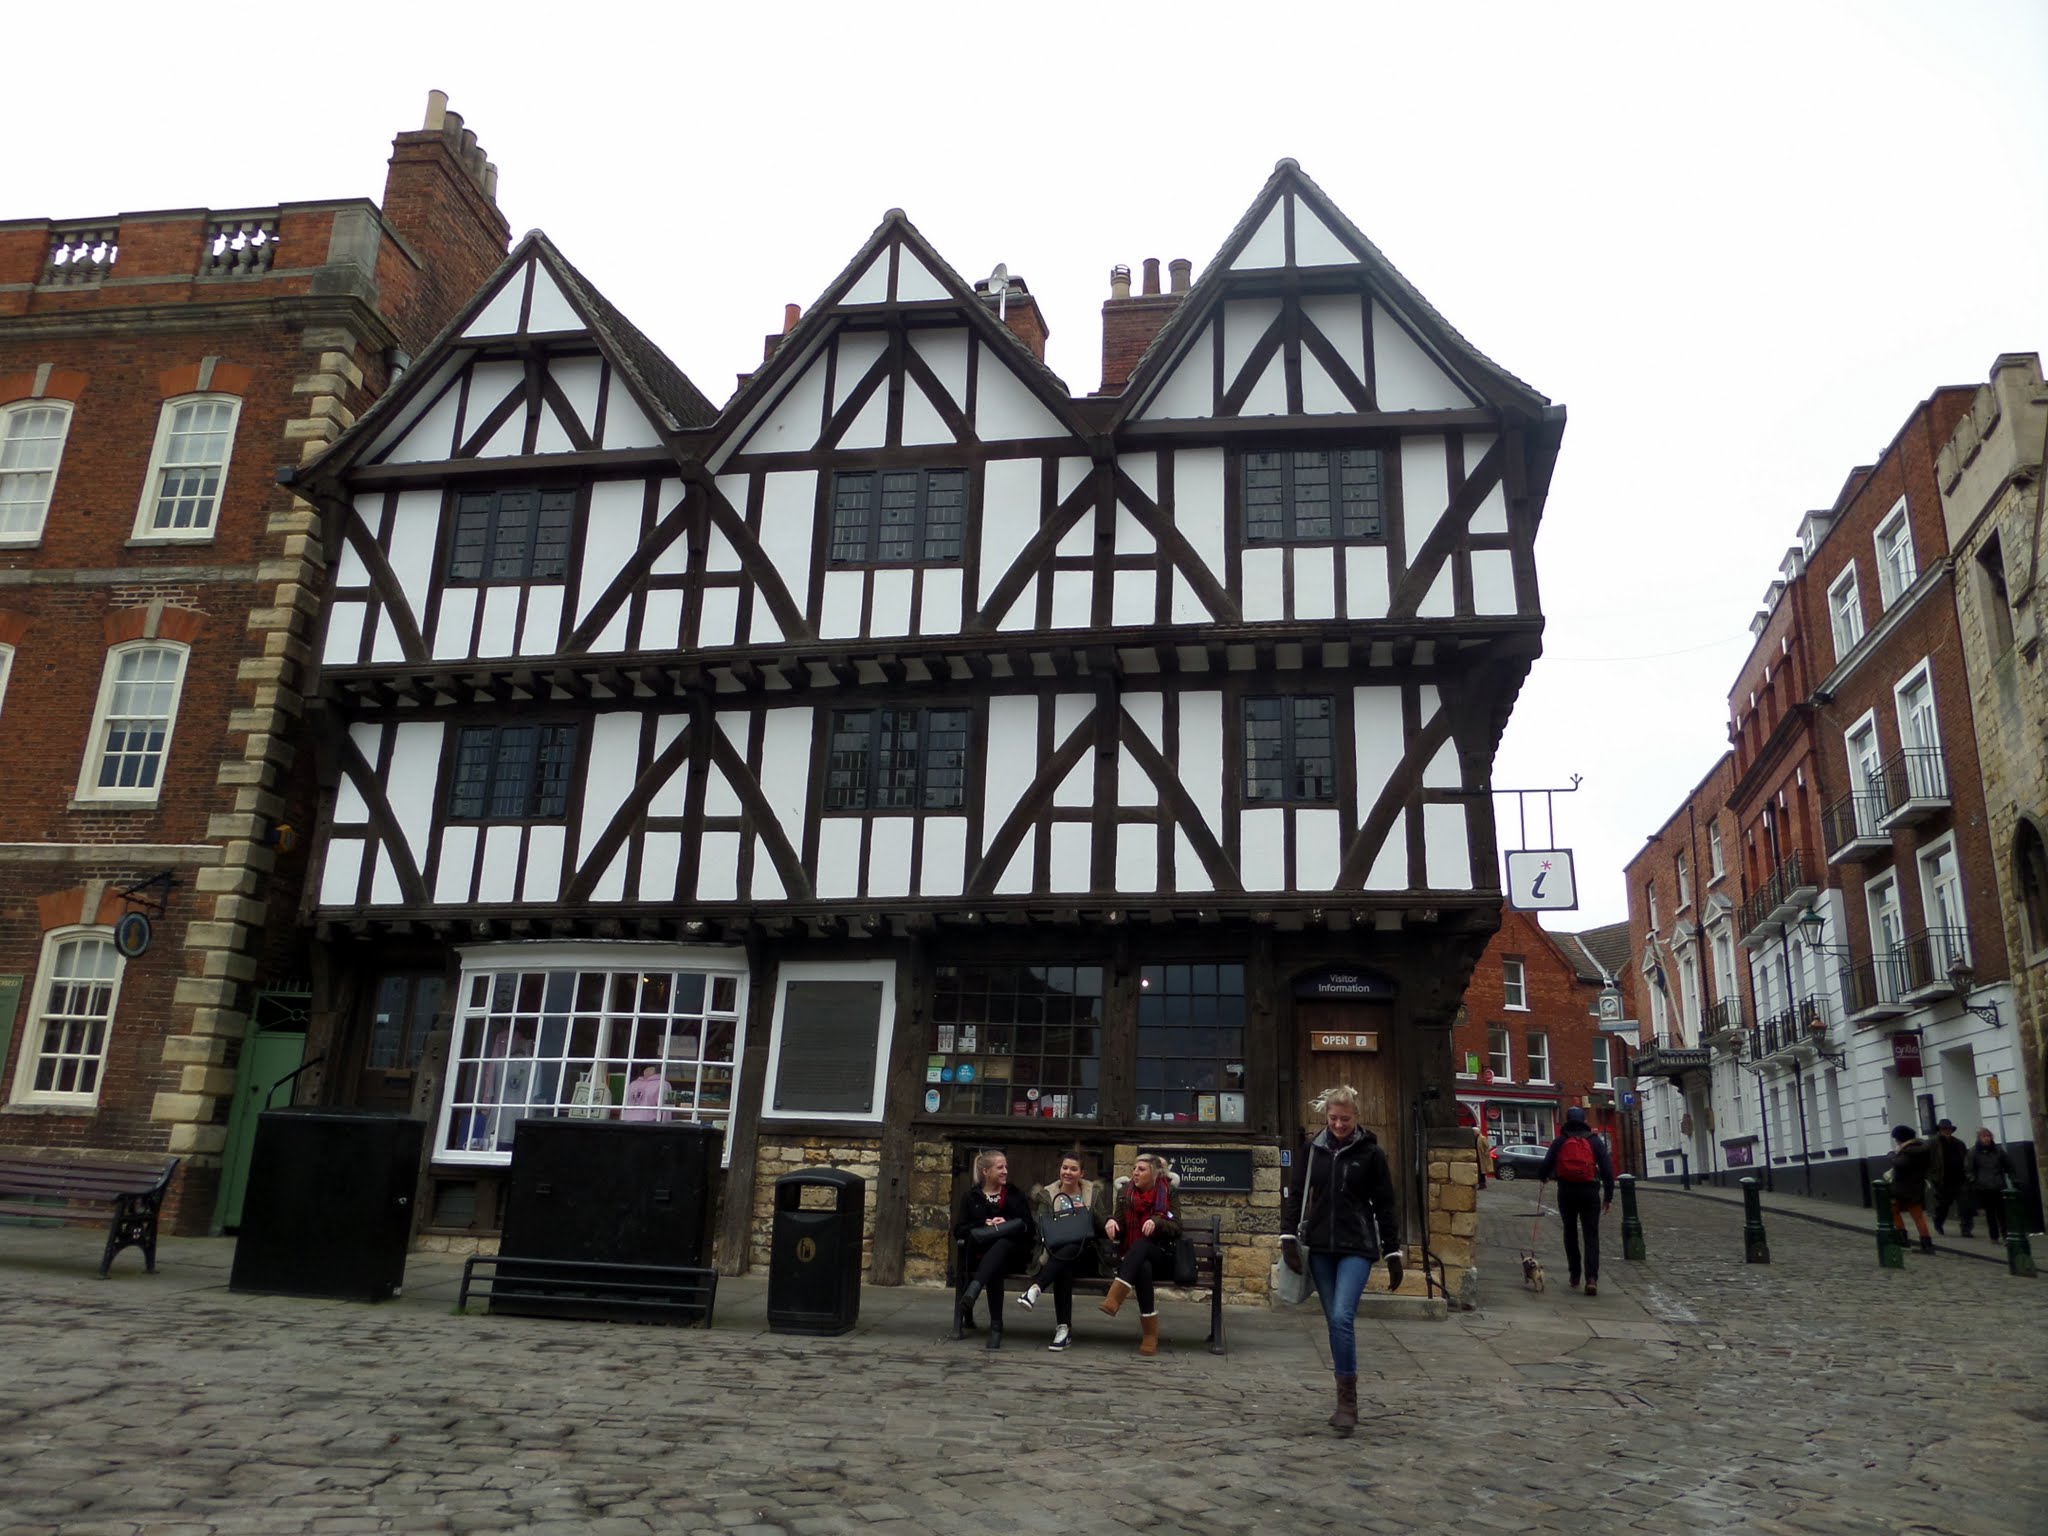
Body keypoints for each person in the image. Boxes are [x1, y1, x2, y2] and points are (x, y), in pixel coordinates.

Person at [1280, 1086, 1402, 1436]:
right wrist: (1288, 1236)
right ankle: (1342, 1397)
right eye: (1333, 1118)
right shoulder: (1313, 1150)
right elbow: (1297, 1192)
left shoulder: (1371, 1154)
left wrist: (1392, 1251)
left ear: (1356, 1117)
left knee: (1341, 1315)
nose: (1338, 1125)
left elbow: (1385, 1204)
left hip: (1357, 1246)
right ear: (1326, 1116)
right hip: (1320, 1247)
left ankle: (1348, 1403)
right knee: (1335, 1324)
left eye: (1344, 1119)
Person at [1019, 1152, 1108, 1351]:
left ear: (1082, 1173)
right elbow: (1044, 1229)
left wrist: (1089, 1214)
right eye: (1065, 1168)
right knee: (1064, 1264)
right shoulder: (1047, 1195)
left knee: (1070, 1250)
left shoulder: (1091, 1193)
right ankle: (1063, 1330)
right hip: (1057, 1254)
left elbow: (1101, 1226)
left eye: (1073, 1169)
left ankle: (1036, 1289)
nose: (1068, 1172)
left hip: (1087, 1256)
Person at [1099, 1153, 1181, 1359]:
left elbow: (1177, 1227)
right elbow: (1119, 1224)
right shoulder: (1125, 1193)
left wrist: (1158, 1222)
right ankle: (1150, 1335)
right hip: (1135, 1258)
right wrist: (1111, 1222)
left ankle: (1115, 1296)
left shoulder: (1167, 1192)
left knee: (1143, 1246)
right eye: (1134, 1168)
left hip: (1162, 1256)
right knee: (1142, 1265)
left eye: (1141, 1169)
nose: (1135, 1172)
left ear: (1153, 1174)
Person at [954, 1149, 1033, 1350]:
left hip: (1013, 1256)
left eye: (1006, 1167)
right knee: (994, 1264)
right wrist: (984, 1223)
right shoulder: (971, 1197)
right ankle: (996, 1327)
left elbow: (1029, 1227)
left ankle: (975, 1288)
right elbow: (959, 1230)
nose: (1005, 1171)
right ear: (986, 1171)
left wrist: (1006, 1222)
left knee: (1002, 1245)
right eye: (1000, 1167)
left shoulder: (1015, 1195)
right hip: (979, 1255)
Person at [1538, 1106, 1615, 1296]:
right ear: (1584, 1121)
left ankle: (1574, 1275)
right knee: (1591, 1235)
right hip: (1589, 1192)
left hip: (1566, 1191)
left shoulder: (1560, 1141)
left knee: (1570, 1231)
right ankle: (1591, 1278)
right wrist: (1608, 1197)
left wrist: (1544, 1177)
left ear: (1567, 1120)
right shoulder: (1594, 1141)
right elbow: (1607, 1170)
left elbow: (1545, 1165)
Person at [1888, 1124, 1935, 1254]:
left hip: (1903, 1187)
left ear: (1900, 1139)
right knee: (1918, 1216)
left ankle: (1903, 1238)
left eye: (1897, 1139)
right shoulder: (1921, 1149)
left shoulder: (1908, 1151)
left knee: (1893, 1210)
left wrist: (1892, 1156)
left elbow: (1900, 1164)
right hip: (1916, 1186)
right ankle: (1926, 1243)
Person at [1966, 1128, 2015, 1242]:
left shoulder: (1998, 1150)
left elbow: (2008, 1164)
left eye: (1988, 1136)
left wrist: (2013, 1177)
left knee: (2002, 1212)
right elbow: (1969, 1169)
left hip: (1998, 1185)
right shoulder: (1973, 1152)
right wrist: (1974, 1180)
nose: (1987, 1139)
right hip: (1984, 1187)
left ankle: (2005, 1234)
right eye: (1984, 1136)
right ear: (1979, 1138)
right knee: (1990, 1213)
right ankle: (1994, 1236)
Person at [1929, 1119, 1968, 1235]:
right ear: (1940, 1130)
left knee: (1964, 1204)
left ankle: (1966, 1229)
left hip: (1959, 1178)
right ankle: (1938, 1222)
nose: (1947, 1131)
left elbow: (1965, 1158)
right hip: (1942, 1179)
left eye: (1949, 1129)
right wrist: (1932, 1177)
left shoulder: (1959, 1143)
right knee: (1944, 1205)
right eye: (1944, 1129)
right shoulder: (1933, 1143)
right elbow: (1928, 1161)